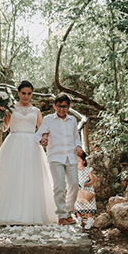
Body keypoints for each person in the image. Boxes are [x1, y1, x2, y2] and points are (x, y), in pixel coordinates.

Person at [0, 81, 57, 225]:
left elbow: (42, 130)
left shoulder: (36, 111)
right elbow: (4, 128)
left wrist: (44, 139)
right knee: (12, 175)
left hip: (31, 144)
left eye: (29, 93)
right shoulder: (10, 108)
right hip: (14, 142)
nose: (26, 96)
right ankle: (9, 211)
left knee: (30, 176)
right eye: (23, 93)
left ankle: (30, 213)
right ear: (18, 93)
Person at [36, 94, 84, 225]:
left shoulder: (72, 120)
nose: (61, 109)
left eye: (64, 107)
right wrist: (43, 139)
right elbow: (39, 134)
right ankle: (61, 215)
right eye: (59, 106)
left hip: (71, 157)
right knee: (59, 186)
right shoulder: (48, 119)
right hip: (55, 156)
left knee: (74, 184)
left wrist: (78, 146)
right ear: (54, 106)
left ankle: (69, 212)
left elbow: (76, 137)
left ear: (69, 107)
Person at [75, 151, 97, 229]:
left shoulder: (87, 170)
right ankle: (79, 220)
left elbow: (93, 180)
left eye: (79, 161)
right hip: (78, 190)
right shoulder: (74, 170)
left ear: (83, 161)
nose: (77, 163)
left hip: (87, 190)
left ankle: (89, 220)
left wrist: (86, 183)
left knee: (88, 204)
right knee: (78, 204)